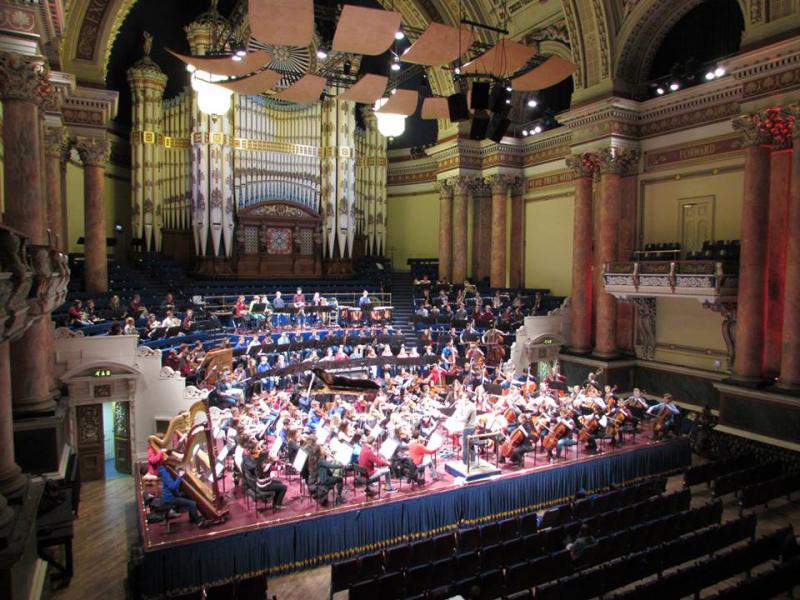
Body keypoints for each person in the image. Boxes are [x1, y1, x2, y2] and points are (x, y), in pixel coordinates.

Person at [157, 462, 208, 528]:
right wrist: (180, 476)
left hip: (174, 495)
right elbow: (173, 486)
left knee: (191, 497)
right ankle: (199, 523)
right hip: (170, 498)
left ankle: (192, 517)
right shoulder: (166, 473)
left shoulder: (167, 470)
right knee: (192, 503)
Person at [452, 394, 477, 466]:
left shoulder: (470, 407)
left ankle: (465, 462)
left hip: (468, 428)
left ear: (467, 399)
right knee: (471, 445)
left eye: (463, 398)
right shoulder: (468, 405)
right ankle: (473, 460)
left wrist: (455, 419)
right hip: (471, 427)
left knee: (465, 446)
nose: (462, 400)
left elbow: (464, 419)